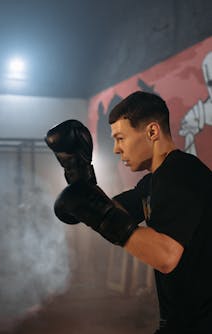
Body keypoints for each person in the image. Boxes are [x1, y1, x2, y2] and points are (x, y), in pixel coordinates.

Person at [45, 91, 212, 333]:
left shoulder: (182, 173)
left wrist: (95, 209)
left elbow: (166, 256)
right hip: (182, 322)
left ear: (152, 132)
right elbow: (111, 210)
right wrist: (79, 176)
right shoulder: (154, 181)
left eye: (121, 138)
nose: (116, 149)